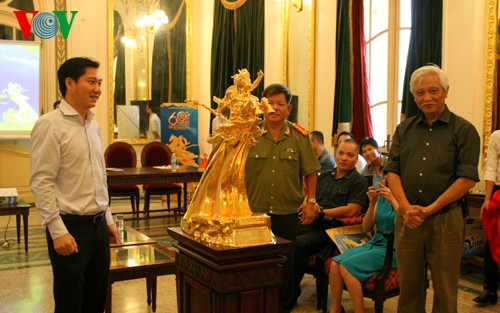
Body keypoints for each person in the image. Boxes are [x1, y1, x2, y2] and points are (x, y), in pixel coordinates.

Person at [385, 64, 480, 313]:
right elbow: (392, 171)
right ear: (414, 97)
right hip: (407, 220)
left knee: (445, 291)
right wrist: (406, 209)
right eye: (420, 93)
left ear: (446, 91)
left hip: (445, 220)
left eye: (433, 90)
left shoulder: (464, 130)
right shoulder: (404, 130)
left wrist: (429, 210)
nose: (427, 97)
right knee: (409, 290)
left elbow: (467, 179)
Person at [30, 57, 120, 313]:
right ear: (69, 83)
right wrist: (57, 231)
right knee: (70, 302)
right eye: (91, 81)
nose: (98, 89)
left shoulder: (93, 124)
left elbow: (99, 178)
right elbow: (42, 181)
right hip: (70, 228)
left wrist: (109, 220)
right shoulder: (50, 124)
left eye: (100, 82)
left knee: (95, 300)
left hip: (98, 227)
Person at [245, 83, 320, 313]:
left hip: (286, 211)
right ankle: (256, 300)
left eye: (280, 104)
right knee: (253, 259)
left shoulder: (299, 137)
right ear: (262, 106)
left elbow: (310, 172)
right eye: (270, 103)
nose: (274, 108)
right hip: (254, 211)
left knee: (285, 261)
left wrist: (311, 201)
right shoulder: (250, 135)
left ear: (288, 109)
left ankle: (284, 304)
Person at [294, 138, 368, 306]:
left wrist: (321, 211)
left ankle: (289, 295)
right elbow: (310, 197)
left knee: (299, 244)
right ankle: (280, 290)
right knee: (285, 237)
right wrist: (307, 206)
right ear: (336, 153)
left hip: (332, 231)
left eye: (350, 155)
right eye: (341, 153)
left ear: (357, 158)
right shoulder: (325, 175)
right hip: (311, 222)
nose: (344, 158)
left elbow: (353, 210)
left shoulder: (359, 181)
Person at [329, 179, 398, 313]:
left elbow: (405, 223)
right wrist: (372, 204)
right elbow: (366, 227)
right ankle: (336, 308)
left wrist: (393, 200)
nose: (385, 179)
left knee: (345, 266)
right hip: (376, 243)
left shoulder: (405, 198)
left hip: (394, 248)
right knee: (334, 264)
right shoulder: (382, 197)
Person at [474, 130, 500, 305]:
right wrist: (488, 199)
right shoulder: (496, 136)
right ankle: (490, 290)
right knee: (492, 243)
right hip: (498, 193)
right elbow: (491, 167)